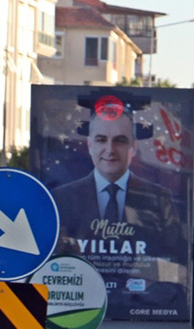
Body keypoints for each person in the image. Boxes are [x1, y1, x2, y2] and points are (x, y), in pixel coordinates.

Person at [51, 92, 178, 249]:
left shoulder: (159, 199)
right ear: (90, 145)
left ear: (133, 147)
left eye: (120, 141)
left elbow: (174, 256)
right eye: (101, 140)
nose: (110, 149)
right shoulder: (62, 198)